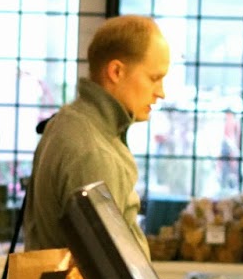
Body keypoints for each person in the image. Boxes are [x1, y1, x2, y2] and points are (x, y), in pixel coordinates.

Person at [22, 14, 169, 257]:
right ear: (116, 71)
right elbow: (107, 270)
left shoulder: (68, 123)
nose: (161, 92)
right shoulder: (93, 150)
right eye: (154, 78)